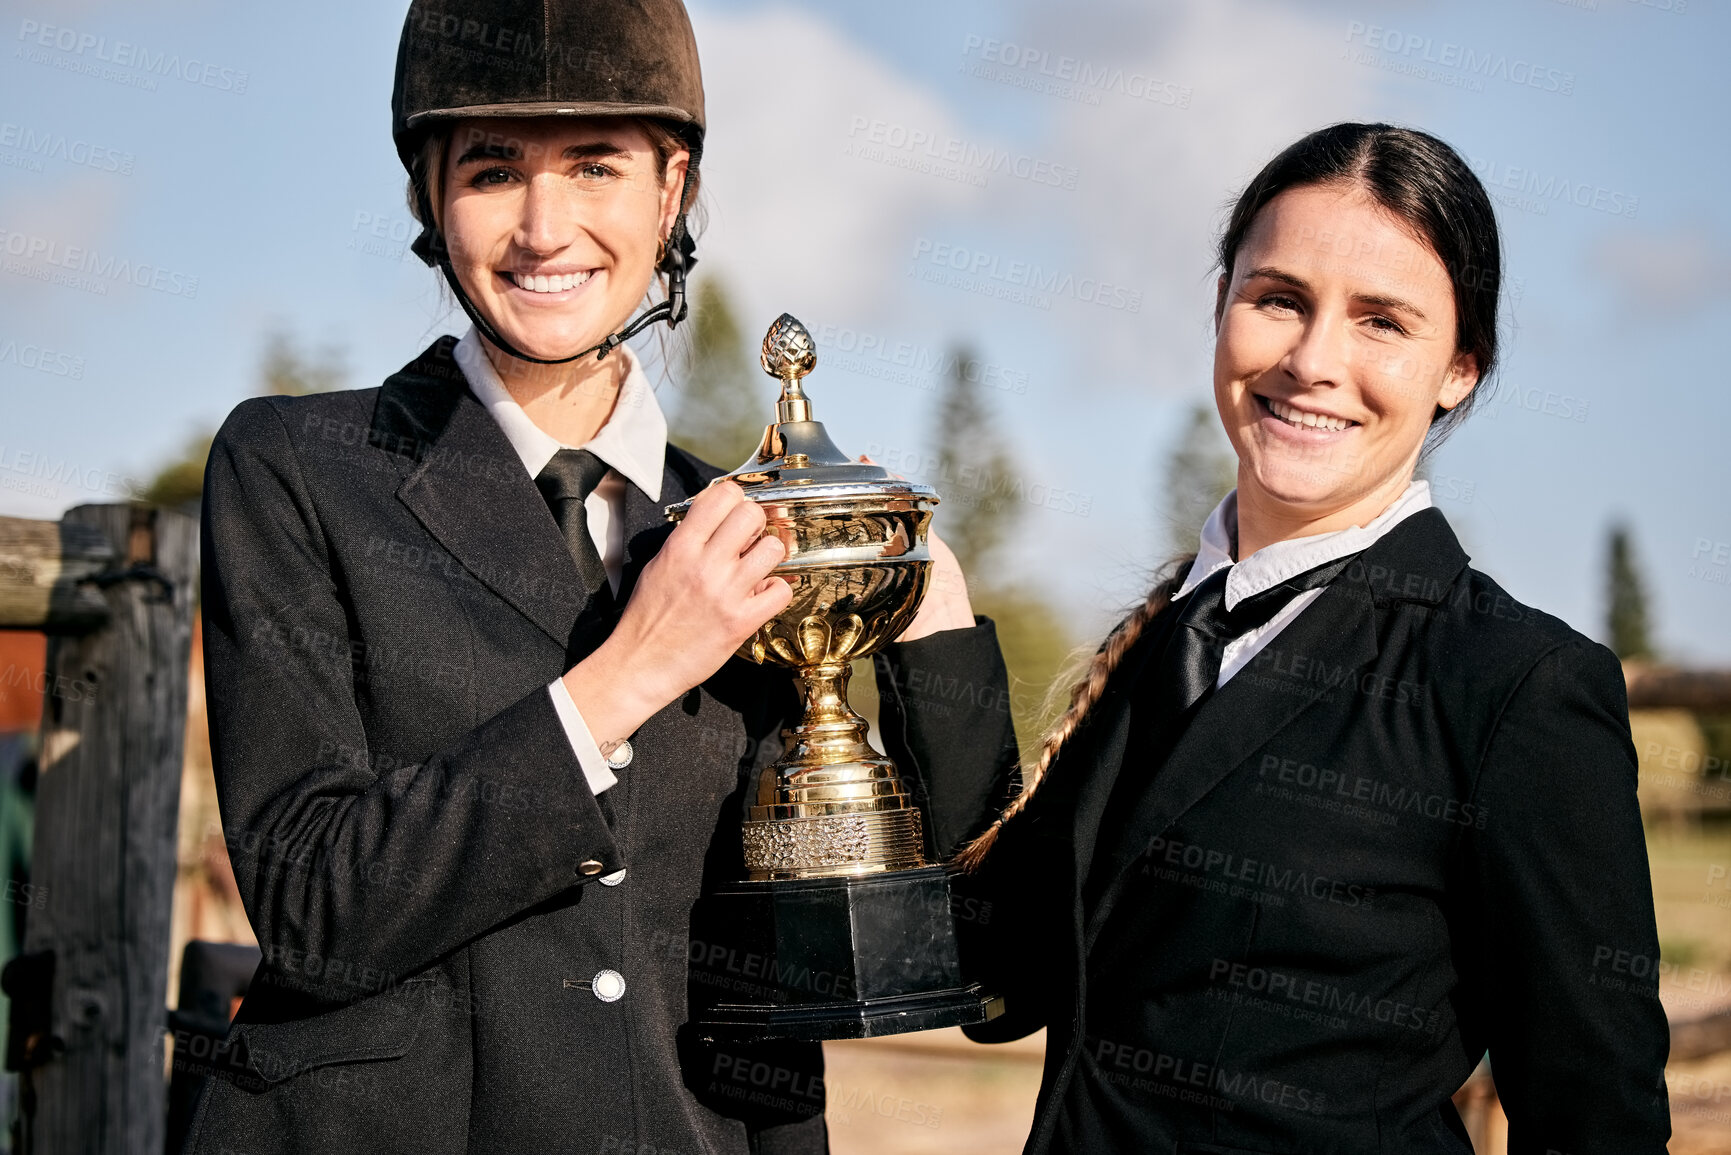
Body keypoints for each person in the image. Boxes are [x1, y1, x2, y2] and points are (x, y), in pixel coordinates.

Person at [185, 1, 1016, 1151]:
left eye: (594, 165)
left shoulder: (748, 527)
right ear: (430, 193)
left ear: (670, 189)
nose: (544, 226)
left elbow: (987, 963)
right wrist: (621, 679)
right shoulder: (295, 467)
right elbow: (313, 907)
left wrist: (936, 631)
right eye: (491, 170)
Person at [953, 123, 1670, 1153]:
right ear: (1221, 308)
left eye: (1382, 322)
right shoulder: (1158, 649)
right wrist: (940, 649)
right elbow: (999, 984)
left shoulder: (1518, 688)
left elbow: (1597, 1119)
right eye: (1280, 299)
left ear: (1459, 368)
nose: (1313, 361)